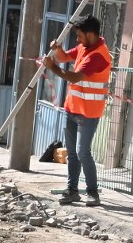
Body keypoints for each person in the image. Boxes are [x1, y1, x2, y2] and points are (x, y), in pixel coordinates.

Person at [42, 15, 112, 206]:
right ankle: (72, 190)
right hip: (72, 108)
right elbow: (65, 57)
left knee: (83, 153)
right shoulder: (85, 47)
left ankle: (92, 192)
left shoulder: (98, 56)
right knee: (72, 153)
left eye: (79, 36)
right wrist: (57, 50)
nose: (77, 40)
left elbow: (74, 78)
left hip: (89, 113)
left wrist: (52, 67)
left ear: (89, 35)